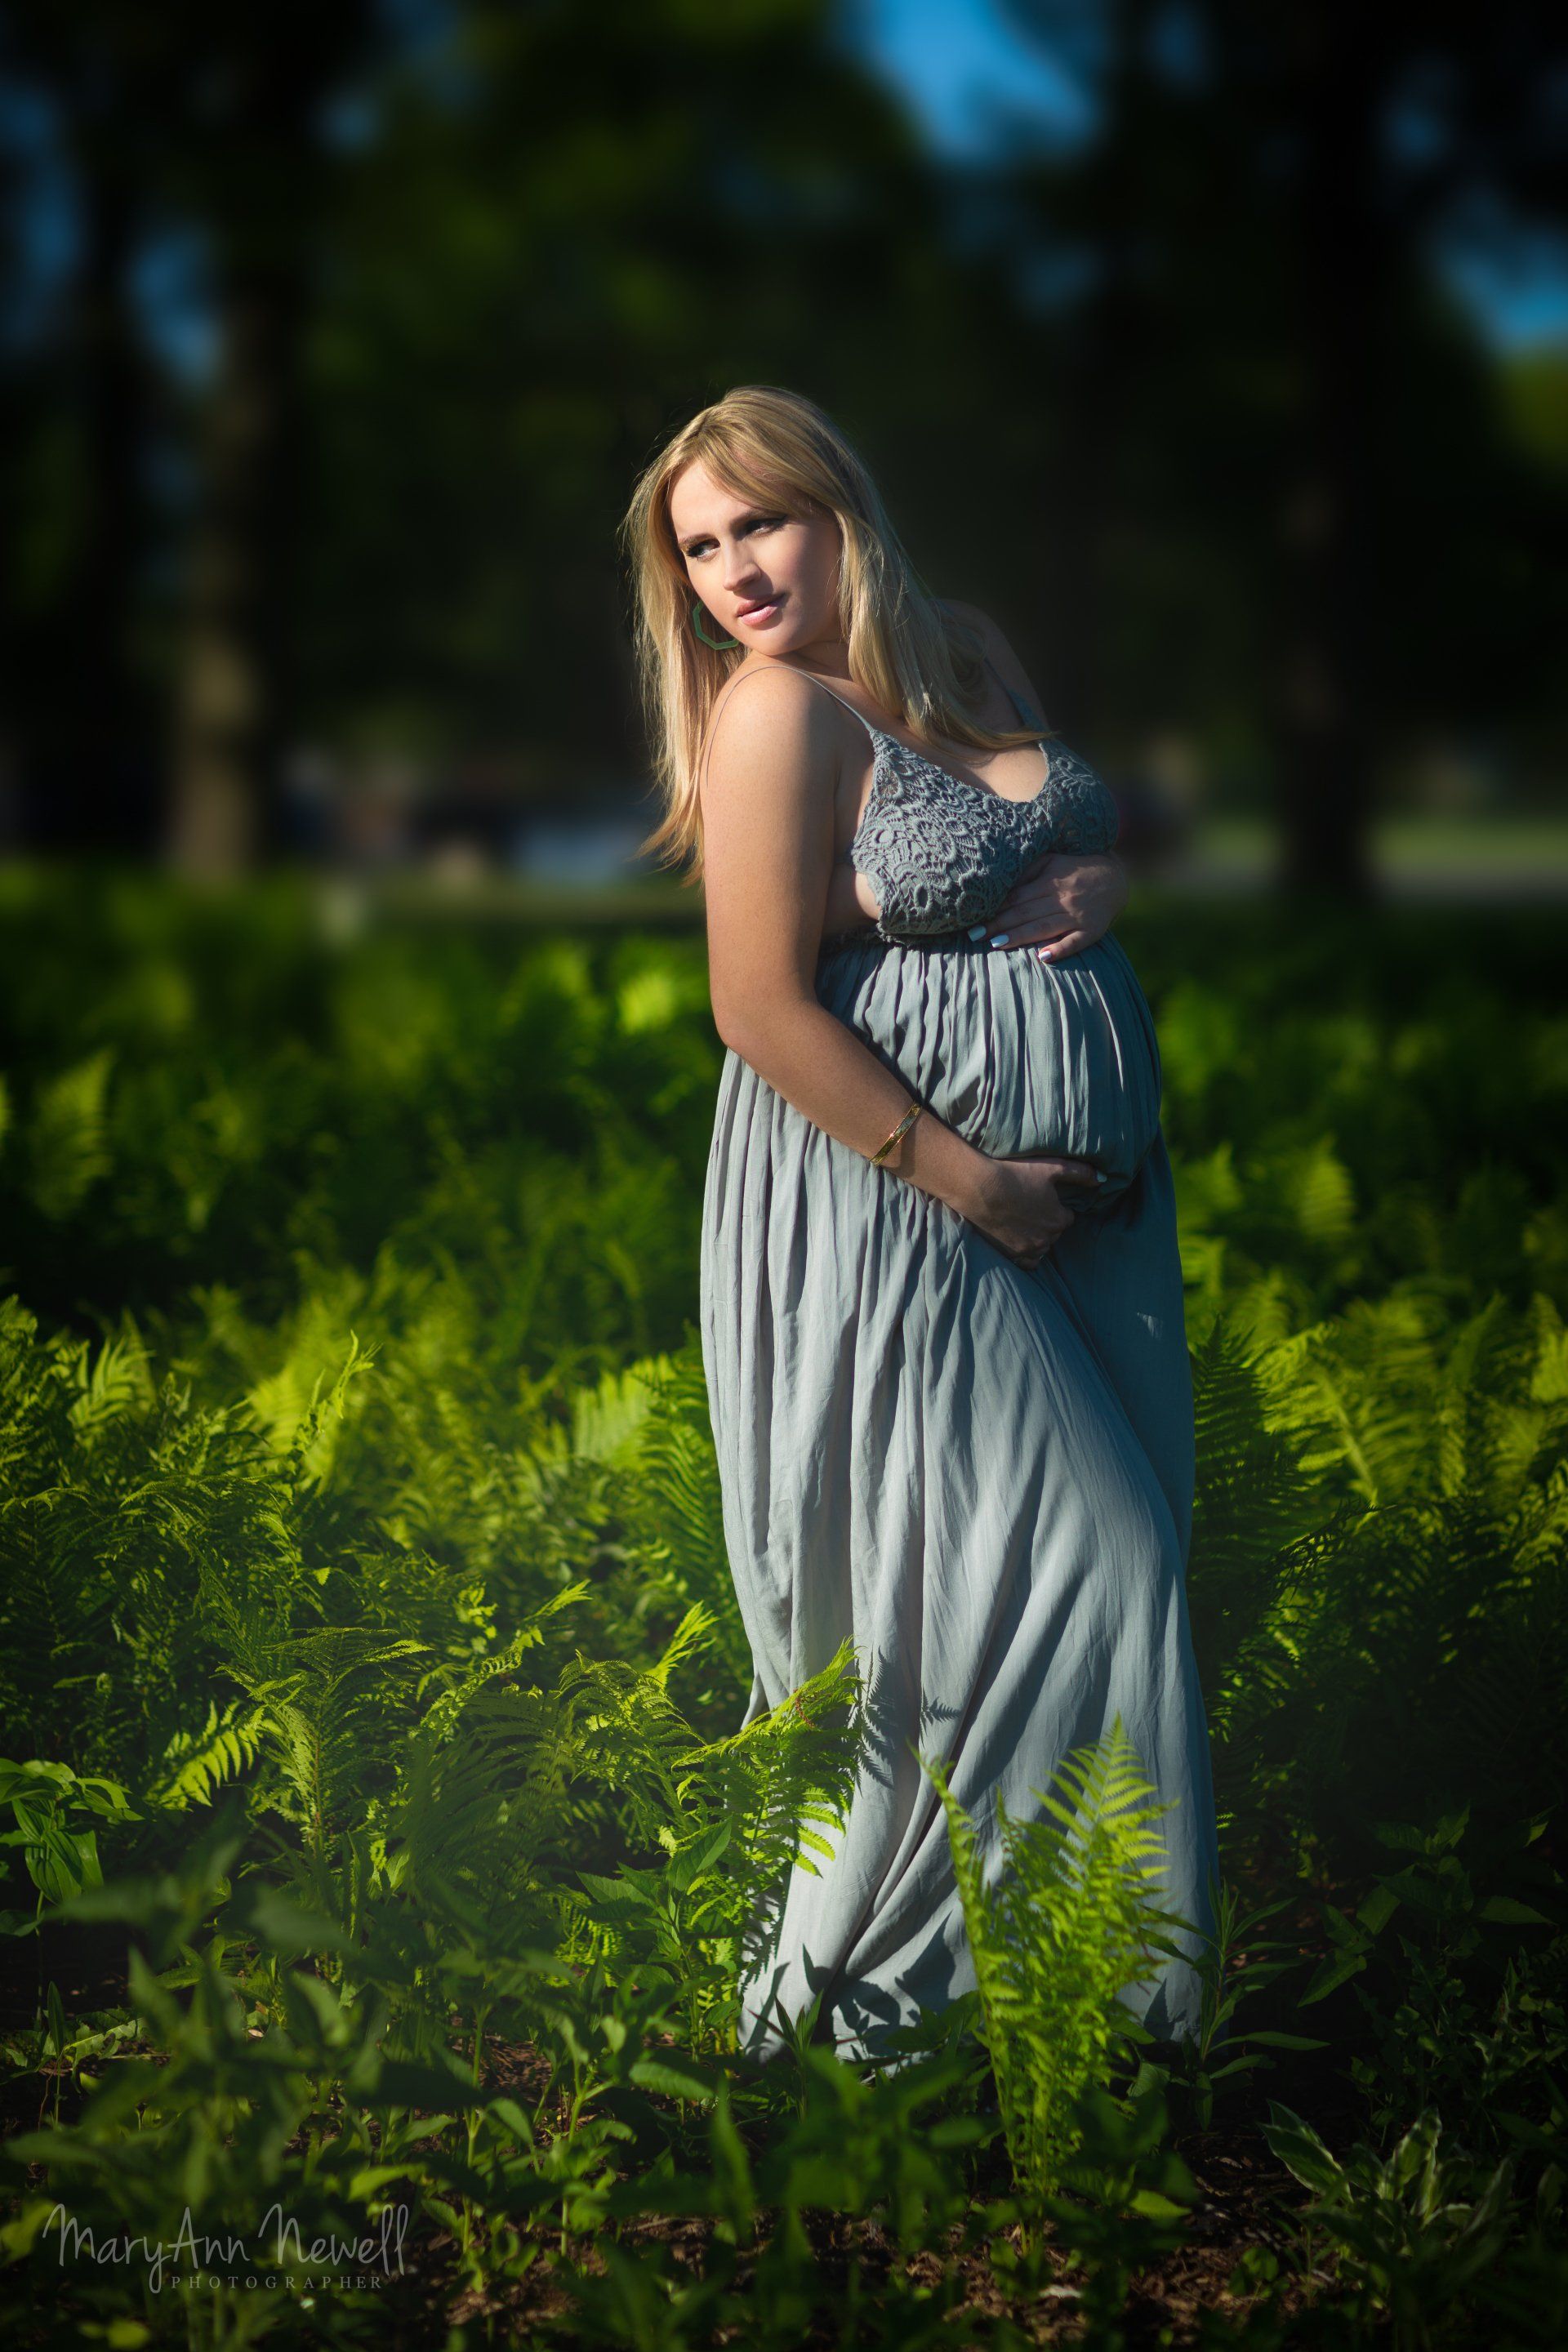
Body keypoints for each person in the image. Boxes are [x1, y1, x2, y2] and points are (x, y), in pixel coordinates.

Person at [621, 384, 1219, 2066]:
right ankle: (928, 2027)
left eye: (764, 523)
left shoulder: (963, 647)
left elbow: (1047, 847)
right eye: (702, 548)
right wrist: (978, 1188)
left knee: (1028, 1588)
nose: (737, 568)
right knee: (1104, 1569)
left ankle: (1044, 2029)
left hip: (1087, 1214)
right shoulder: (775, 716)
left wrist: (1102, 885)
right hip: (911, 1209)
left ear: (841, 510)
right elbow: (756, 1005)